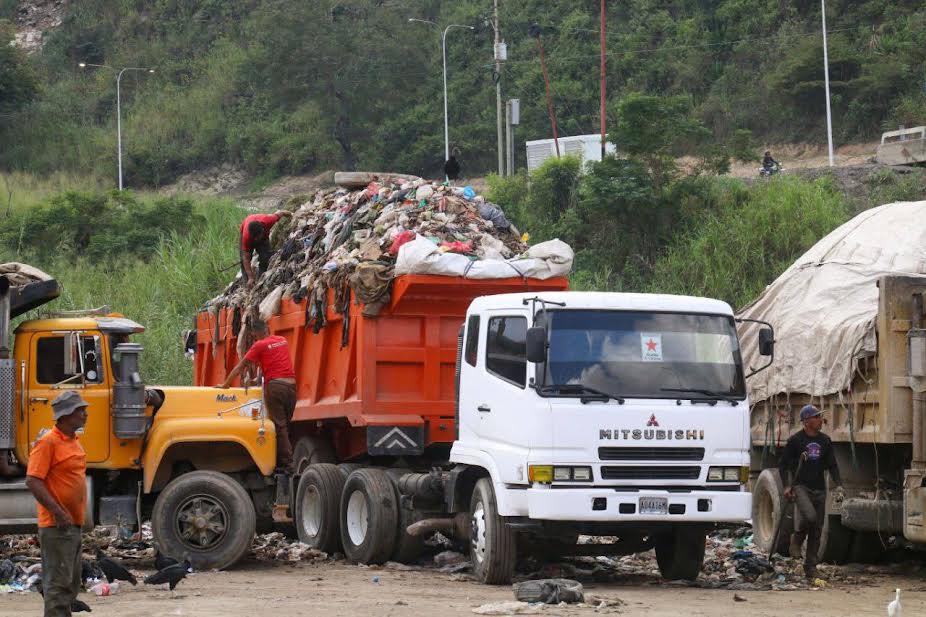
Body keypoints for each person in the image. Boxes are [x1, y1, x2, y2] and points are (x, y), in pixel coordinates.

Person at [26, 391, 89, 617]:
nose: (86, 414)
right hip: (57, 526)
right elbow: (33, 480)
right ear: (66, 415)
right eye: (80, 410)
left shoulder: (73, 441)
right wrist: (59, 513)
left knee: (70, 584)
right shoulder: (48, 442)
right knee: (58, 586)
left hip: (71, 524)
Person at [217, 320, 296, 472]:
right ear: (268, 328)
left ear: (254, 334)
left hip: (275, 388)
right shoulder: (282, 341)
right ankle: (285, 460)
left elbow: (240, 367)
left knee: (279, 427)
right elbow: (275, 365)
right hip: (291, 387)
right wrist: (254, 380)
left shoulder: (259, 345)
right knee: (286, 425)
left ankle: (287, 466)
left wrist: (226, 384)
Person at [778, 404, 844, 580]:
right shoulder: (795, 441)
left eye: (820, 417)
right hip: (800, 486)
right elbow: (783, 465)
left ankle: (811, 567)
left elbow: (832, 465)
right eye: (816, 417)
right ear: (806, 421)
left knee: (817, 529)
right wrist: (786, 486)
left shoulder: (825, 441)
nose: (820, 420)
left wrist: (839, 484)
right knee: (810, 517)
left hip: (819, 488)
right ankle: (797, 539)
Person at [240, 210, 290, 287]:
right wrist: (250, 277)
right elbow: (246, 258)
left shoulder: (268, 220)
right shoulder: (246, 237)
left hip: (263, 237)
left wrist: (292, 215)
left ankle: (261, 277)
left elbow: (281, 212)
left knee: (265, 257)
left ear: (262, 230)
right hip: (247, 230)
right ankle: (248, 283)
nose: (256, 240)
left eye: (257, 237)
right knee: (244, 263)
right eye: (255, 238)